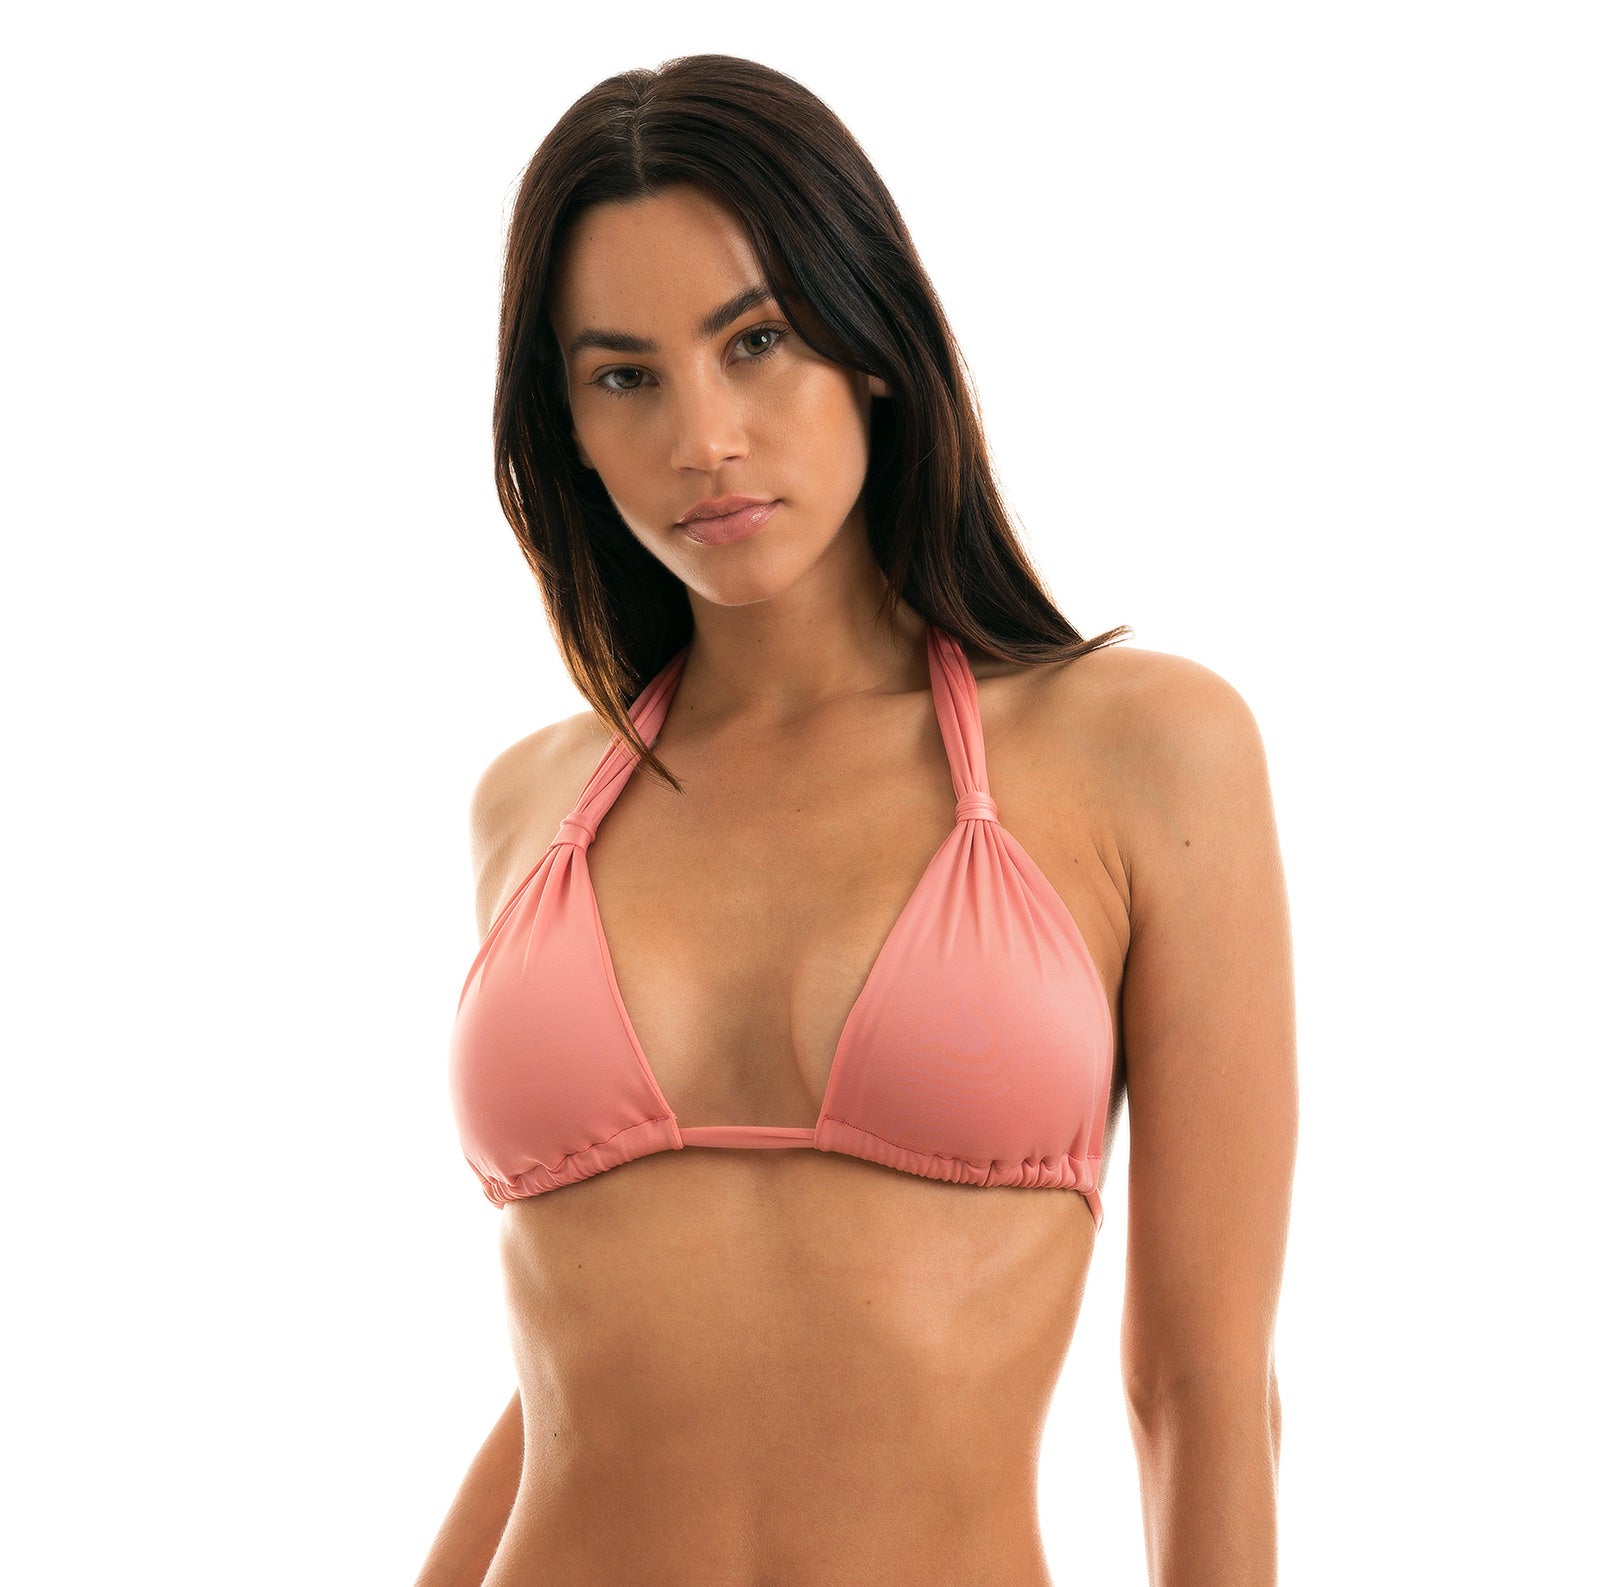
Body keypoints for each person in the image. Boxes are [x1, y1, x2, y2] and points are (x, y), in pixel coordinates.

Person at [417, 53, 1297, 1587]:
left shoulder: (1145, 752)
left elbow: (1200, 1387)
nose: (703, 437)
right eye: (624, 375)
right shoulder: (533, 805)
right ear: (566, 425)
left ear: (871, 340)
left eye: (754, 342)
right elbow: (597, 1370)